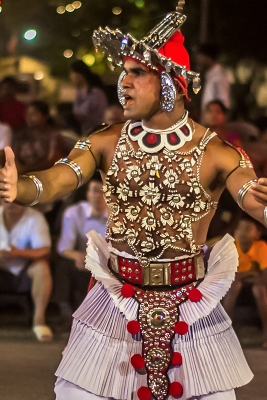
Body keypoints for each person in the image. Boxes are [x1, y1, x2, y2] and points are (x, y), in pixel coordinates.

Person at [1, 1, 267, 399]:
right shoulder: (105, 140)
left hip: (189, 306)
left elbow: (251, 197)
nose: (122, 83)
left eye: (137, 73)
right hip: (116, 301)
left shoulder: (217, 152)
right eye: (123, 73)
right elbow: (58, 180)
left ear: (170, 83)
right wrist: (17, 188)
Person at [53, 172, 107, 316]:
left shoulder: (119, 214)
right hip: (81, 258)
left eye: (103, 191)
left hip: (107, 261)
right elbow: (64, 247)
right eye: (95, 190)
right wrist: (77, 256)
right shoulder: (74, 212)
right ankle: (65, 311)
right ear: (88, 193)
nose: (98, 196)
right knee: (63, 265)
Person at [0, 202, 53, 341]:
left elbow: (45, 250)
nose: (13, 203)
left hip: (24, 272)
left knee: (42, 266)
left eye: (19, 199)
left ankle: (39, 321)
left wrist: (18, 253)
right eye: (9, 199)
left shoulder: (35, 218)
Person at [223, 213, 267, 348]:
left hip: (255, 283)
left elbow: (263, 276)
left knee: (259, 289)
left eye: (247, 229)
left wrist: (244, 276)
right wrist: (250, 274)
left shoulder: (261, 247)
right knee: (234, 285)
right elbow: (228, 275)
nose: (242, 232)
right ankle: (224, 332)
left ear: (257, 233)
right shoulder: (231, 247)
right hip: (236, 283)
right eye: (239, 229)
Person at [195, 43, 231, 123]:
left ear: (208, 57)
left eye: (200, 55)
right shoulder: (210, 76)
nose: (197, 59)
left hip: (215, 129)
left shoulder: (219, 77)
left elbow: (224, 105)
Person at [70, 60, 108, 134]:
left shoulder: (96, 93)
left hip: (97, 133)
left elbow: (103, 115)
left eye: (72, 74)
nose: (71, 77)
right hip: (83, 134)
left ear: (80, 75)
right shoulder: (78, 92)